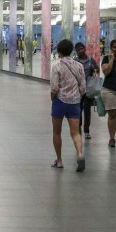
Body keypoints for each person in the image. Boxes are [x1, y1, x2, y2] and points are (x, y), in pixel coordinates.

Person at [50, 40, 87, 172]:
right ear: (71, 51)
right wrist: (77, 96)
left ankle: (59, 161)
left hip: (59, 102)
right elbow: (83, 87)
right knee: (75, 132)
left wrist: (52, 97)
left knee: (56, 132)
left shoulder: (56, 66)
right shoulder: (79, 66)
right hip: (75, 103)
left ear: (59, 51)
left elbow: (54, 87)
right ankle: (80, 154)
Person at [74, 42, 99, 140]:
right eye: (78, 49)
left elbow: (97, 70)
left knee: (87, 111)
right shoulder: (75, 61)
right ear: (76, 51)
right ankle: (79, 127)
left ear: (85, 49)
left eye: (81, 48)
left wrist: (94, 70)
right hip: (78, 90)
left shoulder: (90, 60)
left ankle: (87, 131)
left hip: (89, 89)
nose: (80, 51)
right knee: (78, 110)